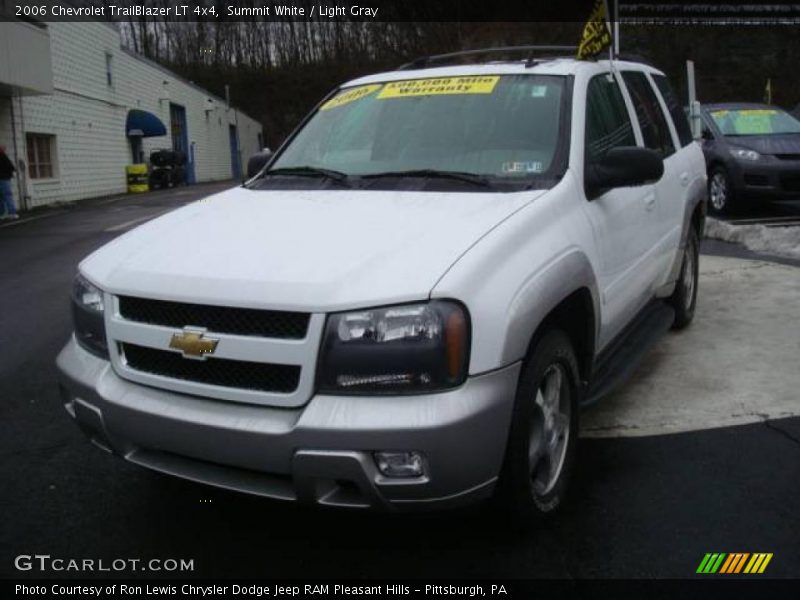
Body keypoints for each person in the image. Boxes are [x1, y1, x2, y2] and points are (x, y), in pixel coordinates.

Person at [0, 145, 19, 220]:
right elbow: (11, 167)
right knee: (7, 195)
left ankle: (2, 214)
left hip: (3, 178)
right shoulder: (4, 157)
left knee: (1, 197)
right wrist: (10, 174)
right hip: (4, 179)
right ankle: (12, 213)